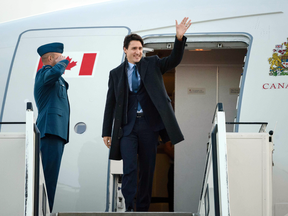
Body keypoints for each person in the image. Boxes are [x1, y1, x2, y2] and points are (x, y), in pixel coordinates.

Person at [102, 17, 191, 212]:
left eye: (140, 49)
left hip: (149, 127)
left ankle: (142, 209)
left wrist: (178, 38)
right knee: (130, 169)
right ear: (125, 50)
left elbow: (174, 60)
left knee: (148, 170)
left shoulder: (153, 64)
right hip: (127, 127)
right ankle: (130, 207)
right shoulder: (115, 74)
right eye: (134, 48)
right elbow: (110, 104)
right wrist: (106, 132)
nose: (138, 52)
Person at [34, 42, 70, 212]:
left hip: (57, 132)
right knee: (47, 178)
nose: (63, 59)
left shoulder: (55, 78)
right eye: (59, 56)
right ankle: (43, 211)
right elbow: (54, 73)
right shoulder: (44, 73)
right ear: (49, 58)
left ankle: (46, 210)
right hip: (50, 131)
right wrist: (63, 63)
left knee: (51, 179)